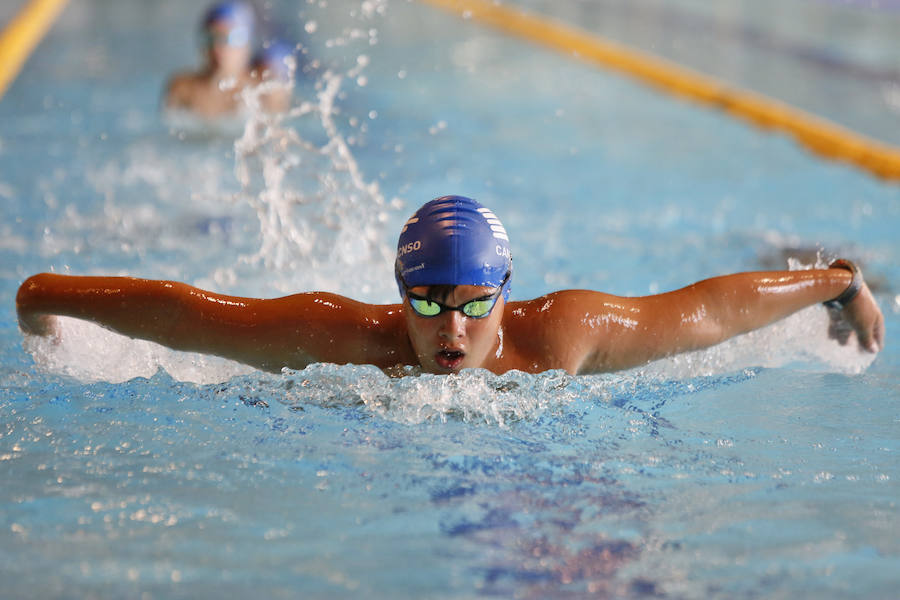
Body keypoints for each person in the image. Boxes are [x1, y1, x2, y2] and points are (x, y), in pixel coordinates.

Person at [16, 196, 884, 376]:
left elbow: (707, 311)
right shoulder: (340, 338)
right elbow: (191, 315)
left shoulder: (564, 336)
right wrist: (43, 293)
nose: (450, 331)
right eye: (426, 303)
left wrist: (840, 283)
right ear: (398, 295)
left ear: (508, 291)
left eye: (474, 305)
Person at [164, 1, 257, 119]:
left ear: (247, 45)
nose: (217, 48)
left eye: (228, 38)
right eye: (209, 38)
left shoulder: (262, 92)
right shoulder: (182, 90)